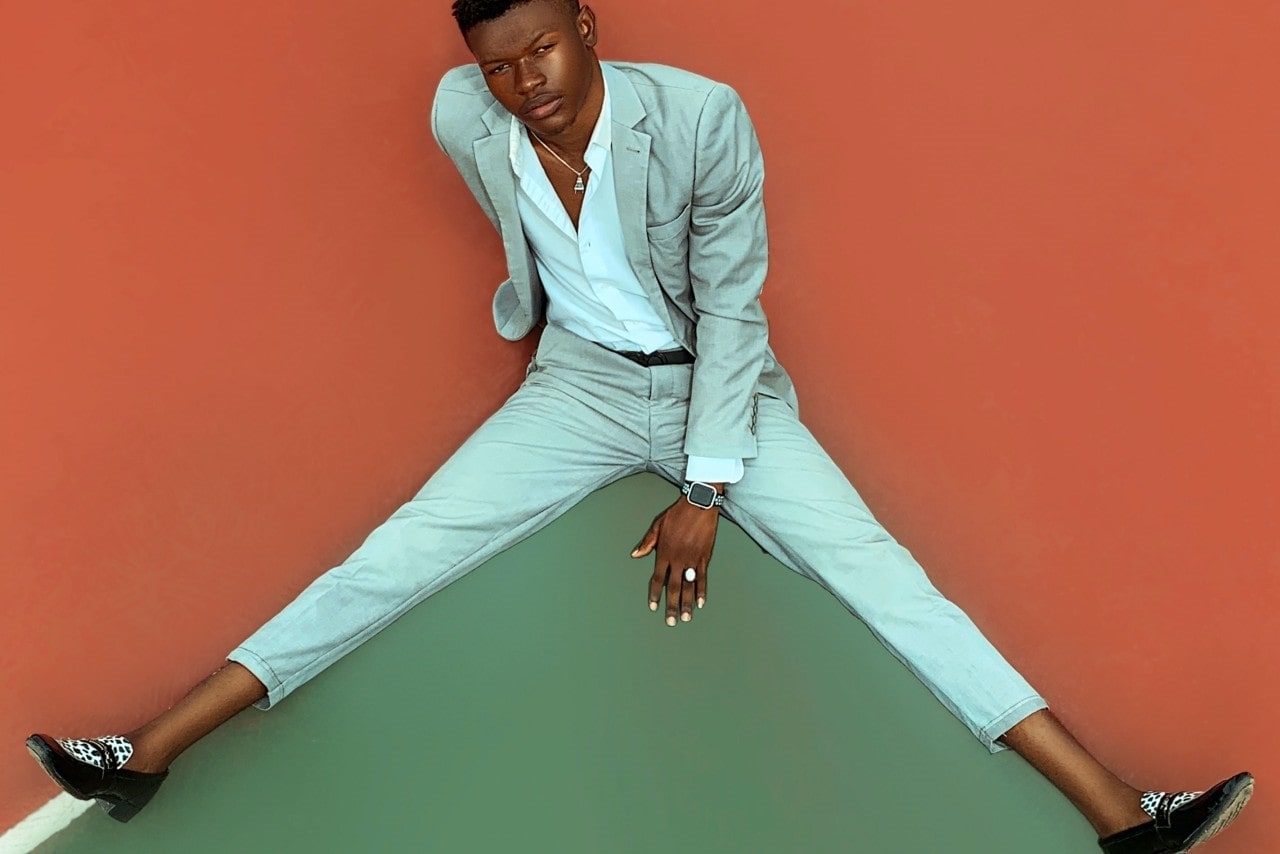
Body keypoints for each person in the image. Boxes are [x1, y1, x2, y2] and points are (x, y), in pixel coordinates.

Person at [27, 1, 1253, 850]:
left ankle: (1117, 814)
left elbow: (731, 307)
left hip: (725, 389)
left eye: (545, 54)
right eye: (501, 65)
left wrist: (705, 493)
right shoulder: (471, 116)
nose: (526, 86)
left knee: (891, 583)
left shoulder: (702, 117)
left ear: (590, 32)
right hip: (577, 386)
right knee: (392, 555)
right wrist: (510, 121)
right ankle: (142, 755)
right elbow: (475, 103)